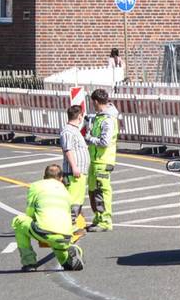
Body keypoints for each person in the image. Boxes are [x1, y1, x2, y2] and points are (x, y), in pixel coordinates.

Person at [12, 164, 84, 272]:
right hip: (65, 234)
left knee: (18, 222)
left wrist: (36, 220)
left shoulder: (36, 186)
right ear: (61, 178)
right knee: (65, 260)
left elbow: (30, 211)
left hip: (44, 231)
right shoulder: (65, 191)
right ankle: (74, 251)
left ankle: (29, 262)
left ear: (44, 177)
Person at [87, 88, 119, 231]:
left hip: (103, 161)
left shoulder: (108, 120)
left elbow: (105, 142)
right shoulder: (100, 117)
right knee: (93, 191)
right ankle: (98, 218)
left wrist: (89, 139)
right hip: (95, 161)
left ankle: (105, 221)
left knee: (102, 191)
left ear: (95, 101)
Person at [60, 104, 90, 226]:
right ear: (80, 116)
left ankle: (73, 222)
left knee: (78, 198)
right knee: (74, 200)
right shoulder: (68, 131)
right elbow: (68, 150)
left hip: (80, 172)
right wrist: (74, 167)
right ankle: (69, 224)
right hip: (74, 173)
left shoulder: (74, 130)